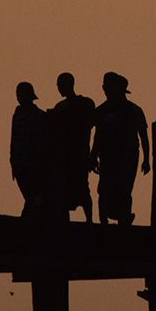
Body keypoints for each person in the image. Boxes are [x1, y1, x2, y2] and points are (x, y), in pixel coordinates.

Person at [90, 72, 150, 225]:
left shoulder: (133, 110)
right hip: (108, 157)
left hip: (128, 157)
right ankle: (104, 222)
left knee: (124, 191)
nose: (106, 90)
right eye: (105, 87)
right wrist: (93, 156)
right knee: (104, 190)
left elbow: (143, 135)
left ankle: (123, 221)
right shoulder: (101, 110)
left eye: (109, 87)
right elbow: (98, 135)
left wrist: (146, 159)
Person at [49, 72, 96, 222]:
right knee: (65, 188)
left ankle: (89, 219)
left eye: (60, 84)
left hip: (78, 154)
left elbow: (89, 124)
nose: (58, 88)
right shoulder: (61, 107)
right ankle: (67, 221)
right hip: (64, 155)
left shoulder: (84, 104)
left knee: (82, 187)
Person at [11, 81, 49, 218]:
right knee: (31, 195)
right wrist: (12, 160)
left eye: (20, 94)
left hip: (34, 164)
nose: (18, 97)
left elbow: (42, 142)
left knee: (34, 195)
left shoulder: (40, 116)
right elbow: (14, 138)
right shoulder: (17, 115)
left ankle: (28, 218)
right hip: (19, 162)